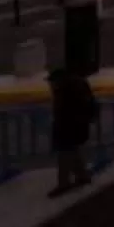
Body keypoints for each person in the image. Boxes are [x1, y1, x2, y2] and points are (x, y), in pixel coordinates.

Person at [47, 61, 97, 197]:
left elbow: (64, 112)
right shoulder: (77, 85)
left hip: (68, 128)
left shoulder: (65, 91)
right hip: (76, 127)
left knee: (64, 156)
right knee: (73, 152)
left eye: (51, 83)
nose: (50, 86)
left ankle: (64, 184)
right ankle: (82, 176)